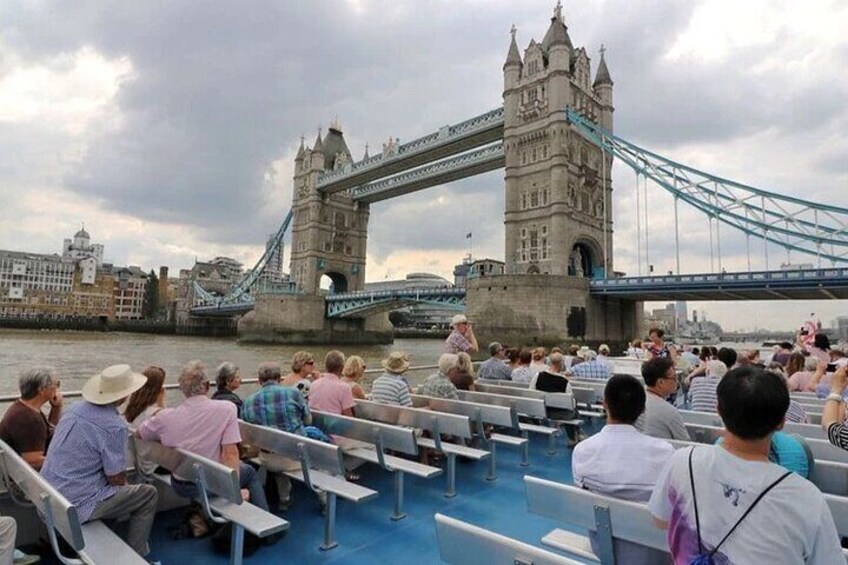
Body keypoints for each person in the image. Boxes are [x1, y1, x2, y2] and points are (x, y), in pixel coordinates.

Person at [649, 366, 842, 563]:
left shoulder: (683, 461)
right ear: (781, 422)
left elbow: (660, 519)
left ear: (719, 411)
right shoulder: (805, 497)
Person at [42, 365, 157, 558]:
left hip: (48, 498)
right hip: (74, 506)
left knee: (114, 490)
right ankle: (137, 557)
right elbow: (116, 479)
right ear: (124, 395)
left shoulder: (74, 408)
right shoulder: (114, 426)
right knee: (147, 494)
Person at [137, 361, 269, 513]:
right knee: (250, 472)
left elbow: (139, 434)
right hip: (211, 483)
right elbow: (230, 453)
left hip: (182, 485)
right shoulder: (226, 409)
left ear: (182, 389)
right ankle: (267, 529)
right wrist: (233, 492)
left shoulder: (165, 417)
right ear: (207, 386)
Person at [573, 374, 674, 565]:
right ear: (642, 409)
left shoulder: (583, 451)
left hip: (603, 545)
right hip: (654, 552)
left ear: (605, 404)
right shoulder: (664, 452)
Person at [242, 362, 312, 510]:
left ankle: (284, 499)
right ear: (280, 378)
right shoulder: (294, 393)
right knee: (317, 449)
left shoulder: (248, 402)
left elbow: (248, 433)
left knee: (279, 449)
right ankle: (325, 500)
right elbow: (308, 420)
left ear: (259, 380)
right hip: (296, 458)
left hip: (268, 459)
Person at [0, 366, 63, 470]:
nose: (58, 388)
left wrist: (56, 408)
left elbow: (49, 432)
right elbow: (33, 462)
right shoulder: (29, 420)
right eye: (57, 384)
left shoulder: (24, 407)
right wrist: (66, 460)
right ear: (42, 389)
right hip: (24, 480)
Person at [123, 366, 167, 476]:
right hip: (155, 466)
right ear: (159, 389)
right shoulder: (156, 414)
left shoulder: (133, 411)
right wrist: (162, 405)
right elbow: (171, 439)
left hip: (142, 463)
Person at [635, 357, 690, 440]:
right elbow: (685, 443)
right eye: (674, 378)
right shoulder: (670, 412)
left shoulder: (635, 402)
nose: (677, 381)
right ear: (660, 382)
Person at [309, 350, 355, 417]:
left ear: (326, 366)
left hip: (316, 423)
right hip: (334, 424)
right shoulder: (344, 388)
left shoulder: (313, 384)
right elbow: (348, 416)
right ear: (342, 367)